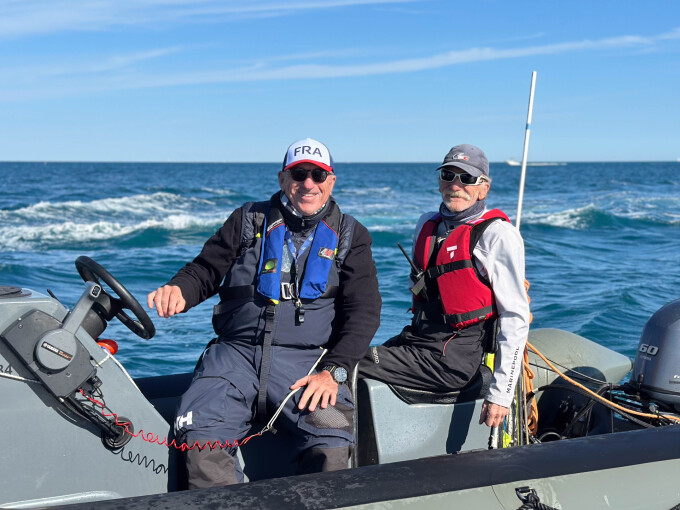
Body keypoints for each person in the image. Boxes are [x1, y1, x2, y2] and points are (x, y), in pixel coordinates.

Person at [148, 138, 381, 488]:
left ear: (331, 181)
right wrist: (179, 289)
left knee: (331, 440)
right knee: (201, 438)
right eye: (298, 174)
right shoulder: (247, 219)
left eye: (318, 175)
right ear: (282, 178)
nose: (308, 183)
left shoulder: (351, 234)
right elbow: (205, 270)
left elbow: (365, 311)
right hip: (235, 356)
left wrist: (334, 371)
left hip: (308, 364)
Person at [359, 144, 529, 428]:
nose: (455, 185)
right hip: (417, 340)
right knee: (340, 355)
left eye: (467, 178)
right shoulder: (426, 224)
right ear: (440, 182)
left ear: (483, 189)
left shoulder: (498, 236)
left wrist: (501, 394)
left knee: (349, 366)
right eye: (448, 176)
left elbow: (515, 317)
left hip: (453, 359)